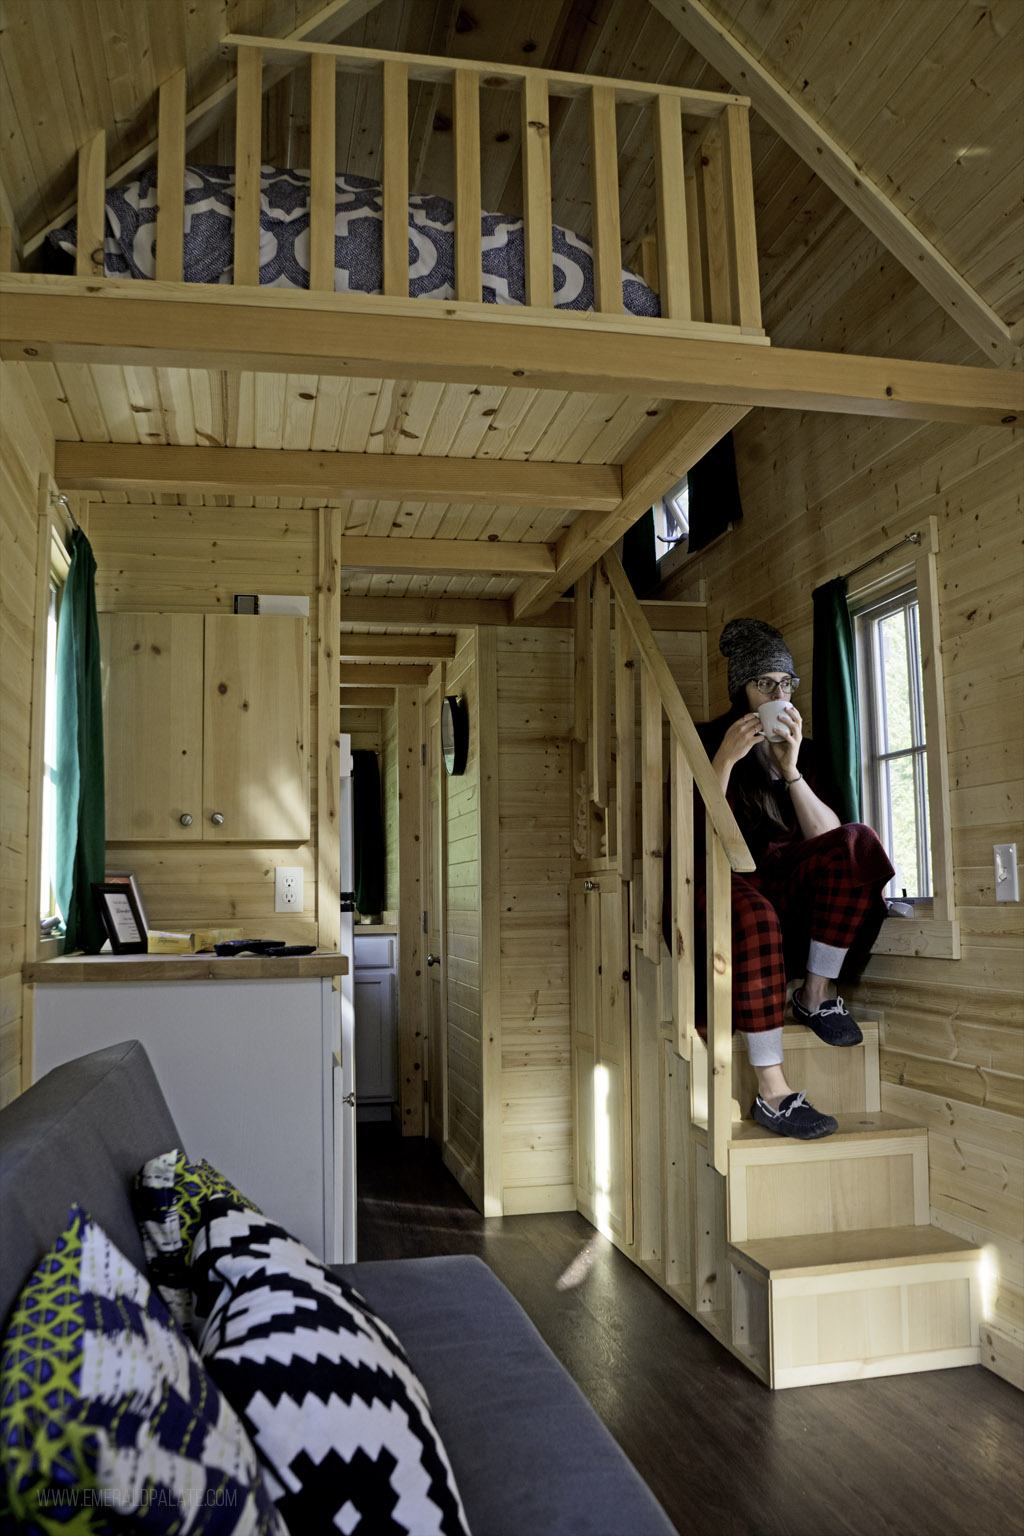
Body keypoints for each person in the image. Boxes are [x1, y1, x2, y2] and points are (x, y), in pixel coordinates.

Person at [698, 617, 894, 1140]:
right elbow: (698, 834)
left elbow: (828, 839)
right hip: (727, 880)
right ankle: (773, 1092)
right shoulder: (707, 739)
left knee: (858, 842)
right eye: (765, 683)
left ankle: (814, 992)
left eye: (785, 684)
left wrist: (791, 769)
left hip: (787, 882)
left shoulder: (801, 743)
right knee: (755, 914)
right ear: (742, 689)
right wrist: (724, 759)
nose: (778, 694)